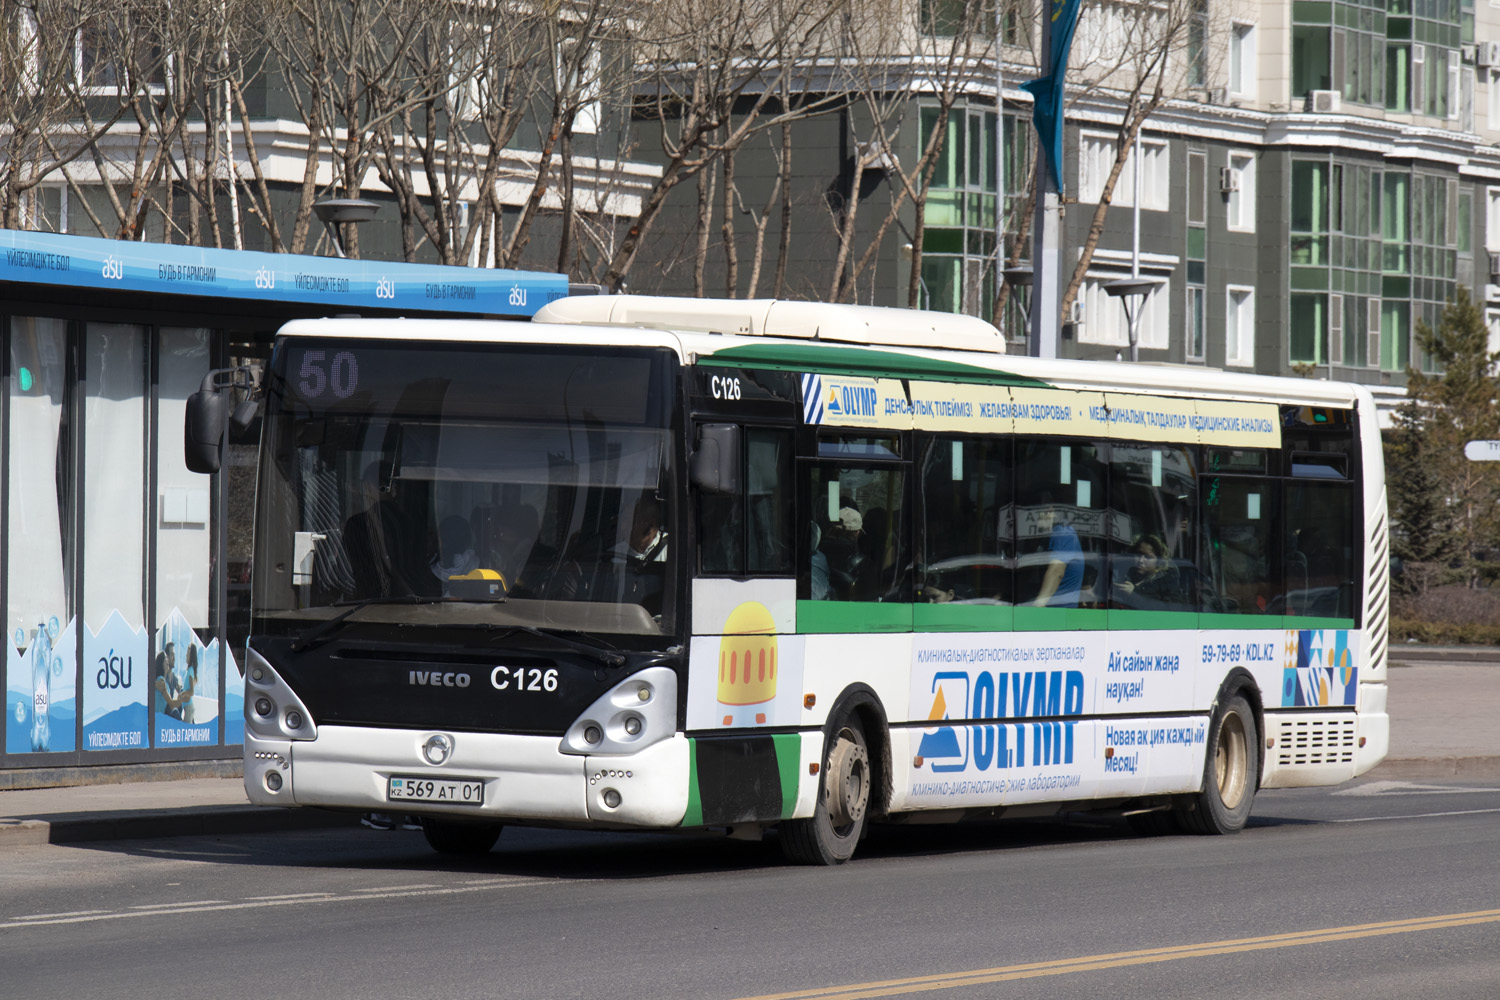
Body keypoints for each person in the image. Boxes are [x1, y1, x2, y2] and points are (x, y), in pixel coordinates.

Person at [1032, 498, 1083, 607]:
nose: (1034, 521)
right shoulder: (1050, 536)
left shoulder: (1062, 533)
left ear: (1050, 511)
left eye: (1036, 515)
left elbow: (1056, 572)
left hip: (1059, 615)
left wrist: (1036, 608)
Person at [1115, 533, 1183, 606]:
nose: (1141, 560)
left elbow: (1171, 608)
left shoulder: (1166, 583)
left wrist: (1133, 595)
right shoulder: (1123, 575)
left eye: (1148, 557)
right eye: (1138, 555)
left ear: (1159, 561)